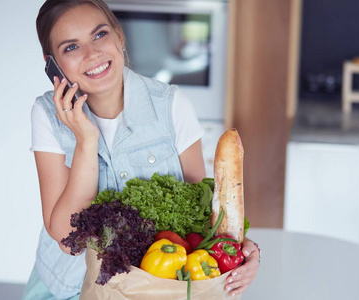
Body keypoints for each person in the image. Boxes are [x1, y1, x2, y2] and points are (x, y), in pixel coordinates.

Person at [22, 0, 260, 299]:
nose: (92, 53)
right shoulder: (46, 114)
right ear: (52, 62)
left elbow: (200, 213)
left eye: (99, 35)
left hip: (155, 287)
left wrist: (247, 252)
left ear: (119, 36)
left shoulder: (171, 105)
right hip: (67, 286)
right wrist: (86, 140)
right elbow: (67, 239)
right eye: (71, 47)